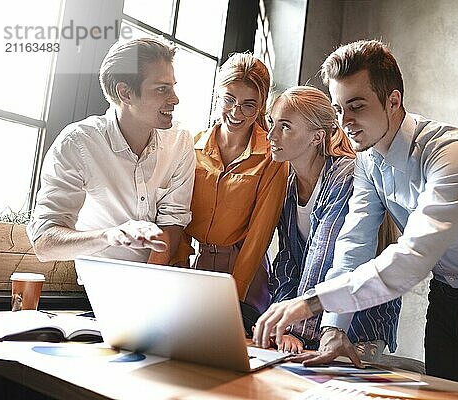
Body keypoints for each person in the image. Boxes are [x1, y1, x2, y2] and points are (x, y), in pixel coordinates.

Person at [254, 40, 458, 399]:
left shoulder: (453, 155)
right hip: (445, 300)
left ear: (393, 100)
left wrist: (313, 302)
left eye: (356, 107)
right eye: (338, 108)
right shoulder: (367, 161)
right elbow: (353, 245)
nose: (344, 123)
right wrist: (333, 328)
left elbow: (412, 257)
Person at [264, 86, 401, 364]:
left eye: (285, 126)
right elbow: (288, 261)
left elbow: (324, 259)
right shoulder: (287, 185)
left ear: (317, 137)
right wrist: (282, 321)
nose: (271, 136)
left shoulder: (345, 175)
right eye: (272, 123)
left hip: (356, 326)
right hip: (307, 323)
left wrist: (290, 327)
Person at [27, 38, 195, 263]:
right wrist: (109, 236)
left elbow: (172, 222)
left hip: (158, 276)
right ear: (125, 93)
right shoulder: (77, 143)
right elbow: (45, 244)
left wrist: (150, 281)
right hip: (101, 281)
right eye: (162, 89)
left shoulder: (180, 141)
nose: (175, 99)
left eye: (173, 87)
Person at [153, 53, 288, 333]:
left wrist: (234, 295)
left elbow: (260, 235)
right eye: (229, 100)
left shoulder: (273, 158)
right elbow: (178, 215)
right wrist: (178, 266)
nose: (236, 113)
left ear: (262, 106)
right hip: (193, 269)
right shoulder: (191, 145)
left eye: (249, 105)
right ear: (218, 94)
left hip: (244, 277)